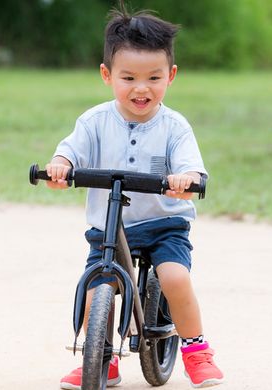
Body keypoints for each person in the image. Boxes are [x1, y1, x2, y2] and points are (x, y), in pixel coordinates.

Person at [45, 8, 225, 390]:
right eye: (128, 78)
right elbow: (68, 153)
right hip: (110, 229)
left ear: (170, 77)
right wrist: (60, 168)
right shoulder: (93, 121)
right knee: (98, 288)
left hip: (164, 225)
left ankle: (196, 349)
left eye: (153, 78)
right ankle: (100, 359)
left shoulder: (174, 127)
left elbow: (193, 168)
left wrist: (186, 180)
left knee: (174, 276)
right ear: (107, 75)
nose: (141, 89)